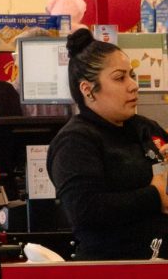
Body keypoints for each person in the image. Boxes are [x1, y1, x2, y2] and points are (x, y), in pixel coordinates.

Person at [46, 28, 168, 260]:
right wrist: (154, 196)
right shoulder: (75, 142)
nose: (133, 85)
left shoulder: (145, 128)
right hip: (114, 266)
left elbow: (162, 175)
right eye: (120, 78)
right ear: (88, 89)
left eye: (131, 75)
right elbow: (85, 210)